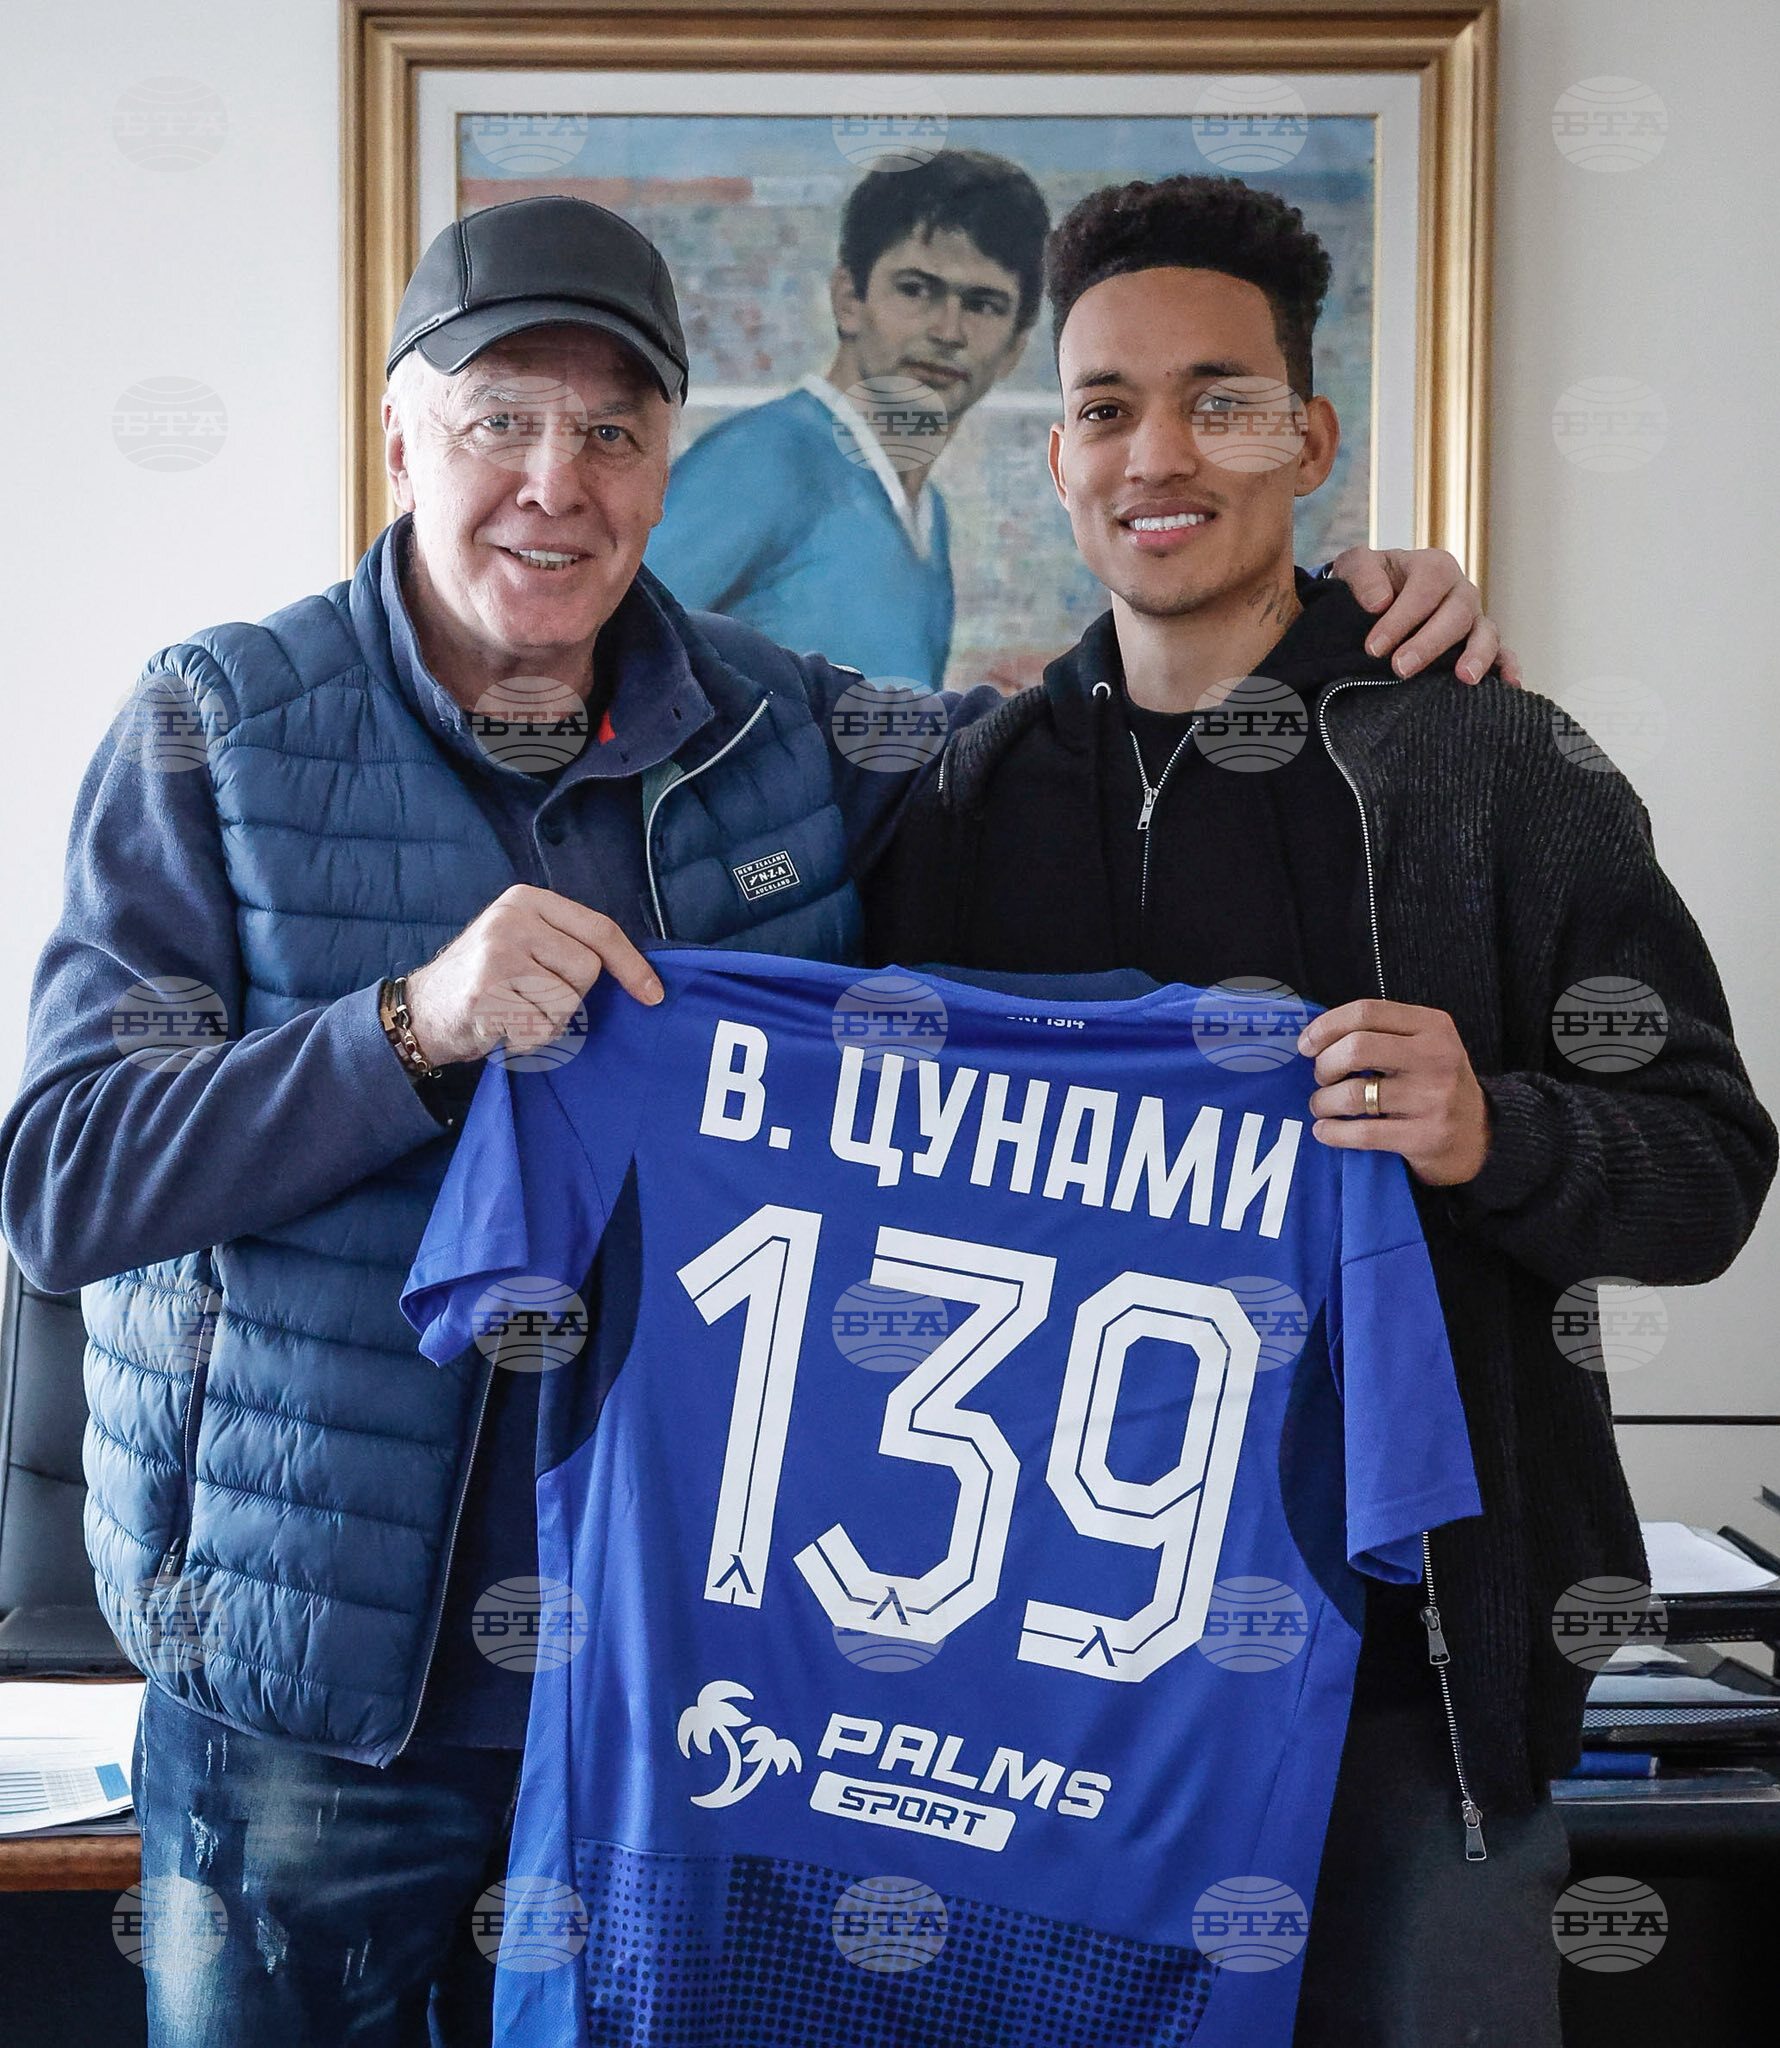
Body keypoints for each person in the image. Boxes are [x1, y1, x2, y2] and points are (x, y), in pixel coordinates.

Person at [0, 187, 1508, 2044]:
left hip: (686, 1717)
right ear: (399, 439)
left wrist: (1343, 611)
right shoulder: (216, 727)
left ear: (666, 467)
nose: (554, 482)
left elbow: (1101, 741)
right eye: (498, 421)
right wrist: (411, 1028)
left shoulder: (787, 730)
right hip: (313, 1714)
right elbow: (63, 1185)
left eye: (612, 432)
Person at [863, 173, 1778, 2047]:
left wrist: (1492, 1128)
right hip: (1041, 1684)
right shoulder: (962, 800)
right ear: (1059, 459)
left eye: (1222, 400)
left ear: (1312, 437)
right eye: (1107, 407)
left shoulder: (1498, 764)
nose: (1158, 454)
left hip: (1412, 1696)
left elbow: (1707, 1170)